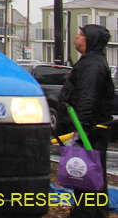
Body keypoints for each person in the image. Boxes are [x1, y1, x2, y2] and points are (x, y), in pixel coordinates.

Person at [57, 24, 114, 218]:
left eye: (81, 35)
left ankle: (88, 214)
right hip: (87, 128)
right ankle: (88, 212)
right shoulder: (88, 62)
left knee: (89, 176)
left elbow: (87, 98)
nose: (76, 37)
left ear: (91, 40)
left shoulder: (93, 66)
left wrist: (80, 129)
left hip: (91, 130)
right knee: (85, 175)